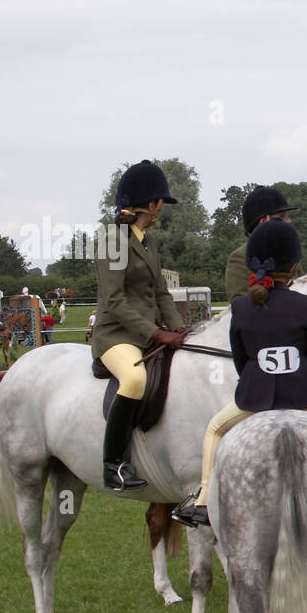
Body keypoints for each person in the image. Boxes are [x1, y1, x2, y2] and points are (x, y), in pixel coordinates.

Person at [171, 219, 307, 529]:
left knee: (214, 430)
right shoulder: (304, 305)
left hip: (255, 397)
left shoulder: (240, 307)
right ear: (293, 267)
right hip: (305, 396)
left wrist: (258, 381)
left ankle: (204, 500)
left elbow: (241, 360)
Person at [92, 159, 186, 491]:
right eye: (161, 202)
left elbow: (161, 292)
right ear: (151, 204)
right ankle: (113, 465)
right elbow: (115, 301)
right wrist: (156, 333)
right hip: (116, 334)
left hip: (146, 332)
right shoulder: (112, 241)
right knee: (134, 379)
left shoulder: (147, 241)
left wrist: (179, 328)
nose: (162, 209)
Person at [225, 186, 297, 302]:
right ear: (264, 222)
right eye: (282, 216)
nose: (289, 221)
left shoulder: (292, 255)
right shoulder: (239, 259)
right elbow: (240, 308)